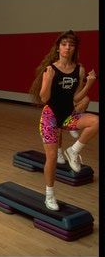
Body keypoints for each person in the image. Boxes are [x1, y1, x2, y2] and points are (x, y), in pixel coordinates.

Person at [29, 30, 98, 211]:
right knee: (51, 157)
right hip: (50, 117)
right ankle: (49, 195)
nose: (67, 48)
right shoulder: (50, 69)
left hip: (68, 115)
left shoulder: (79, 69)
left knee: (95, 122)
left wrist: (89, 84)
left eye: (71, 45)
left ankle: (73, 151)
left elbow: (76, 98)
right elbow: (44, 98)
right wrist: (48, 79)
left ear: (75, 48)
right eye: (64, 44)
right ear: (58, 47)